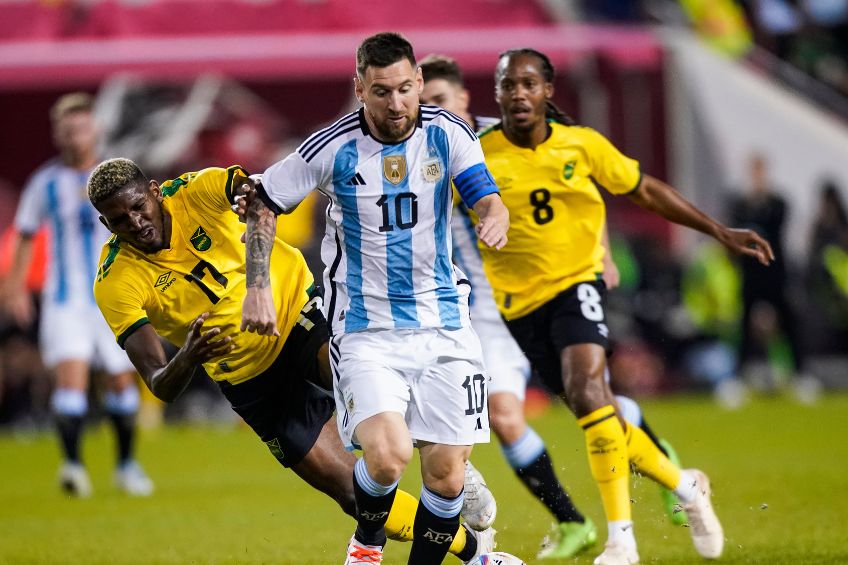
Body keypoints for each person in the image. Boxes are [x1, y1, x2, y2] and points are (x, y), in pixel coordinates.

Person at [87, 158, 496, 564]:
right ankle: (475, 552)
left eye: (139, 206)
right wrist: (188, 357)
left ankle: (447, 461)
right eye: (120, 219)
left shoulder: (199, 190)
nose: (136, 222)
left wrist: (252, 203)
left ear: (155, 192)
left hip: (298, 315)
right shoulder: (114, 281)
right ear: (108, 226)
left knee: (377, 391)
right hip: (248, 379)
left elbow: (255, 195)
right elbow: (159, 383)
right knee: (355, 495)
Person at [473, 48, 774, 565]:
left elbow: (647, 191)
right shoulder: (477, 151)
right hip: (517, 305)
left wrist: (718, 230)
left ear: (548, 91)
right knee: (598, 417)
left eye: (528, 84)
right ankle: (684, 485)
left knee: (591, 393)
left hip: (577, 284)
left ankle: (621, 542)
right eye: (508, 86)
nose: (518, 94)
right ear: (497, 95)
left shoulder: (581, 145)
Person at [242, 32, 510, 565]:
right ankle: (367, 541)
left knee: (447, 475)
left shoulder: (447, 131)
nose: (398, 104)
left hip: (444, 323)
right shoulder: (330, 148)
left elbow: (485, 193)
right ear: (360, 88)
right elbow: (263, 203)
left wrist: (493, 216)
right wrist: (257, 286)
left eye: (407, 89)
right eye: (383, 91)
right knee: (387, 460)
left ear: (417, 84)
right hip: (365, 330)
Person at [419, 54, 687, 559]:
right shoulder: (426, 151)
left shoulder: (508, 134)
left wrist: (600, 249)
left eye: (439, 101)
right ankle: (572, 522)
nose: (430, 111)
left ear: (464, 100)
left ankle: (659, 460)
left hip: (547, 288)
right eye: (423, 103)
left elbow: (578, 182)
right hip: (483, 312)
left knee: (587, 400)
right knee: (503, 414)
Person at [1, 93, 153, 497]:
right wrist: (14, 286)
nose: (76, 136)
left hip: (115, 296)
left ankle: (126, 466)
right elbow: (25, 234)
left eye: (82, 127)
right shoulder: (44, 183)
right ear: (58, 134)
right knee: (71, 382)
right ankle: (72, 467)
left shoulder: (116, 178)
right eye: (68, 130)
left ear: (94, 129)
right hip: (65, 301)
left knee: (122, 382)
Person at [728, 153, 815, 399]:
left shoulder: (777, 202)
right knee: (744, 326)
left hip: (774, 272)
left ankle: (800, 374)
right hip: (751, 274)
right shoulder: (741, 204)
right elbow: (736, 229)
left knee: (788, 324)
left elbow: (776, 224)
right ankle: (738, 378)